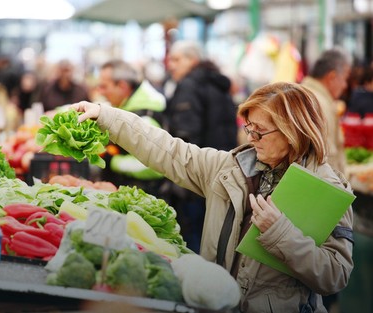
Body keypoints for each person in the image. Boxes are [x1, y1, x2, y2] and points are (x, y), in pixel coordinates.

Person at [70, 81, 354, 313]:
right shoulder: (228, 168)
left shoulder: (327, 189)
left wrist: (280, 233)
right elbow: (169, 150)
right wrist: (106, 115)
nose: (250, 138)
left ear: (292, 131)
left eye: (260, 131)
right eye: (249, 128)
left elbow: (335, 275)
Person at [163, 40, 238, 253]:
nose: (171, 65)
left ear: (193, 60)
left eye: (177, 59)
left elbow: (186, 137)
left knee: (192, 238)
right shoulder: (218, 84)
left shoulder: (189, 86)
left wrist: (180, 180)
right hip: (222, 174)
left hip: (197, 179)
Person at [96, 59, 166, 196]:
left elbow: (153, 167)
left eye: (104, 86)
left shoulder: (145, 117)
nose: (100, 92)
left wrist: (112, 160)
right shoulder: (128, 106)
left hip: (142, 198)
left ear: (122, 86)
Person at [301, 48, 352, 175]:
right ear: (332, 76)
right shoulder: (319, 103)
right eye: (345, 78)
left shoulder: (304, 94)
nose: (345, 85)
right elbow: (327, 161)